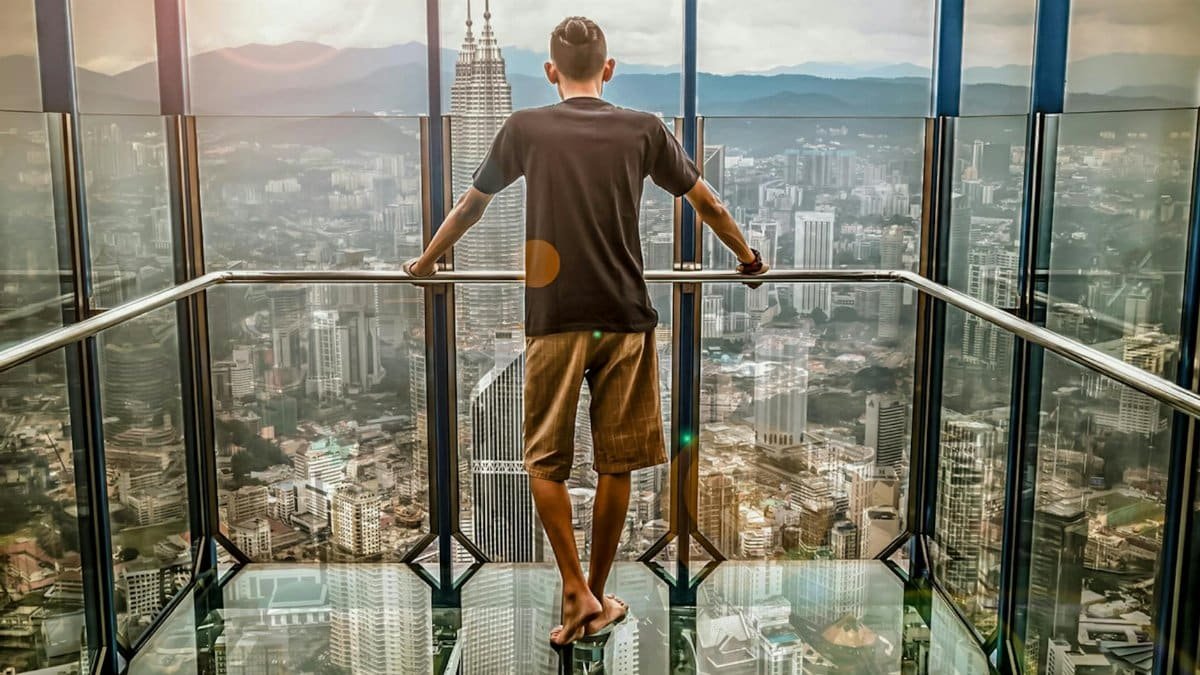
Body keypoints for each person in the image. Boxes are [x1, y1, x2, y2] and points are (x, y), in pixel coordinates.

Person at [405, 15, 768, 647]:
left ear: (550, 72)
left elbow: (472, 203)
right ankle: (596, 598)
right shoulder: (643, 128)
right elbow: (705, 200)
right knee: (617, 463)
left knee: (544, 461)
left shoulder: (525, 128)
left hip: (553, 319)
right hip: (625, 317)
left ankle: (573, 586)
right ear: (609, 69)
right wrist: (747, 256)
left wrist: (428, 261)